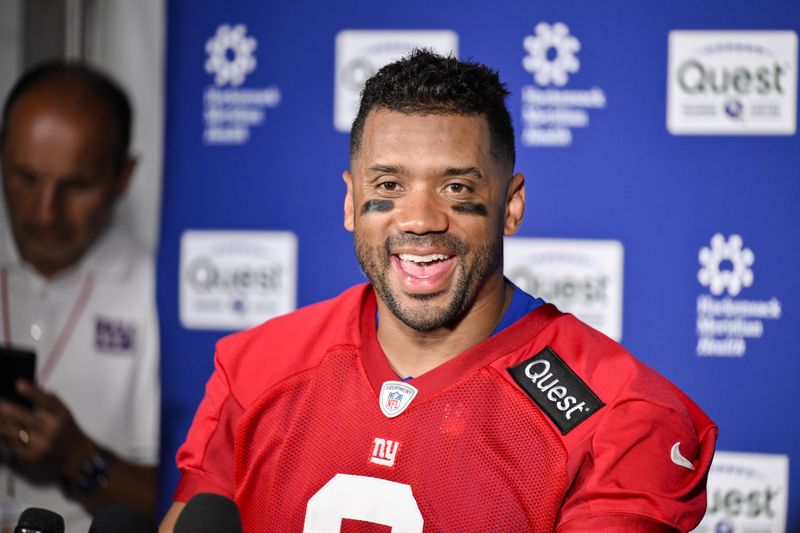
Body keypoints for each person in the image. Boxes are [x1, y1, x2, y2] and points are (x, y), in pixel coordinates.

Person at [161, 50, 716, 531]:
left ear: (512, 204)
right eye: (389, 186)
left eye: (456, 187)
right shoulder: (254, 369)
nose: (421, 220)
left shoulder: (622, 416)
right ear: (351, 202)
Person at [0, 63, 160, 532]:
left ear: (123, 176)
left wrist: (79, 458)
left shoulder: (160, 295)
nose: (45, 211)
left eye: (75, 186)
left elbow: (193, 503)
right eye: (25, 178)